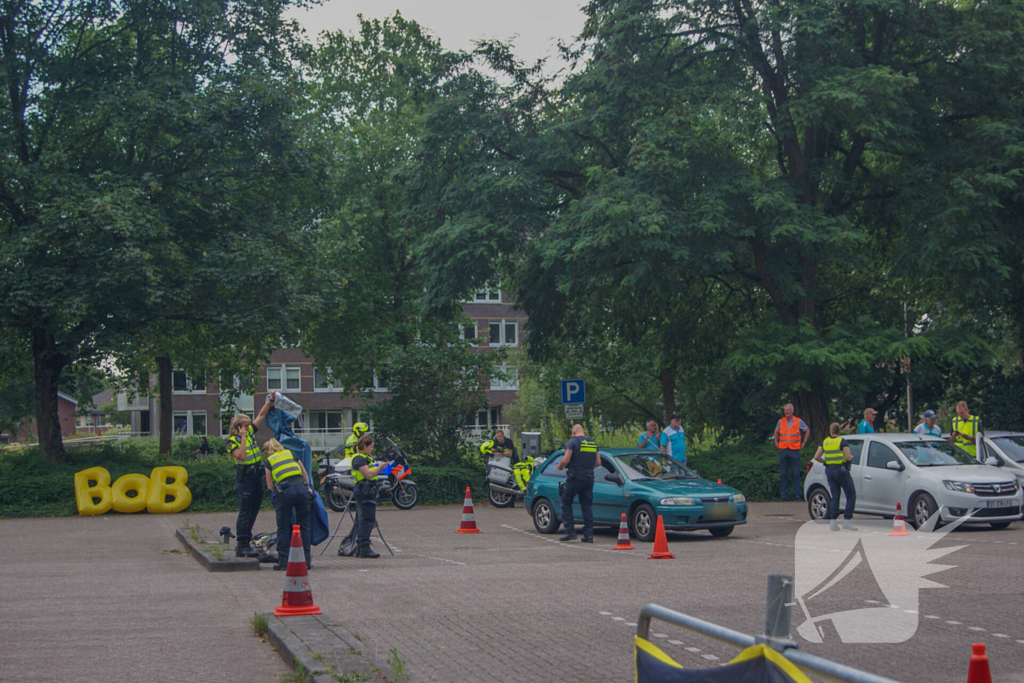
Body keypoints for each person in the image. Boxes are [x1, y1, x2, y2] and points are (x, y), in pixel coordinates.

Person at [227, 394, 275, 557]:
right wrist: (242, 438)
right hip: (245, 479)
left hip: (256, 476)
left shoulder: (249, 433)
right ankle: (241, 545)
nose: (248, 429)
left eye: (248, 426)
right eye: (245, 426)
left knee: (254, 510)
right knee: (245, 512)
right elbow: (240, 456)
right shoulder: (232, 441)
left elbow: (261, 416)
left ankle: (247, 540)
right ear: (238, 427)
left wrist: (270, 401)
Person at [260, 438, 312, 570]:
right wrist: (306, 487)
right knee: (303, 526)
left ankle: (283, 562)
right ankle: (306, 561)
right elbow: (305, 473)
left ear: (267, 451)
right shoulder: (290, 453)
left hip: (285, 493)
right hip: (301, 490)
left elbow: (270, 485)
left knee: (282, 527)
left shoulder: (269, 461)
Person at [556, 424, 600, 542]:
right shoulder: (592, 443)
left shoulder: (573, 442)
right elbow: (598, 462)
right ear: (583, 432)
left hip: (575, 477)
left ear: (573, 432)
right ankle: (588, 535)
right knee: (586, 506)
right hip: (589, 477)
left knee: (565, 501)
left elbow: (566, 460)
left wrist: (560, 466)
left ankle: (570, 531)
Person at [813, 423, 857, 531]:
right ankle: (847, 520)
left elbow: (816, 457)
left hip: (830, 471)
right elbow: (847, 457)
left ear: (830, 430)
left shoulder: (825, 442)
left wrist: (826, 462)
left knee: (835, 495)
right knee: (851, 494)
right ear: (839, 431)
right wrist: (851, 457)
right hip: (841, 471)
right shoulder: (842, 442)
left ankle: (833, 521)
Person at [350, 434, 383, 558]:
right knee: (367, 519)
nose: (372, 449)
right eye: (371, 446)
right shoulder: (359, 459)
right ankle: (363, 547)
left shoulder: (365, 457)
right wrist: (379, 468)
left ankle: (362, 547)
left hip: (368, 490)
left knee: (367, 519)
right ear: (364, 446)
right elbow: (368, 474)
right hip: (364, 490)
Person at [773, 404, 809, 502]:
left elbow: (807, 430)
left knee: (796, 474)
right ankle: (784, 496)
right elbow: (776, 431)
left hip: (794, 450)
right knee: (784, 473)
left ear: (792, 411)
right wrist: (776, 441)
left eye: (788, 410)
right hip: (783, 450)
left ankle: (797, 495)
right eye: (785, 410)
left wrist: (804, 442)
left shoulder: (798, 421)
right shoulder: (781, 421)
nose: (786, 412)